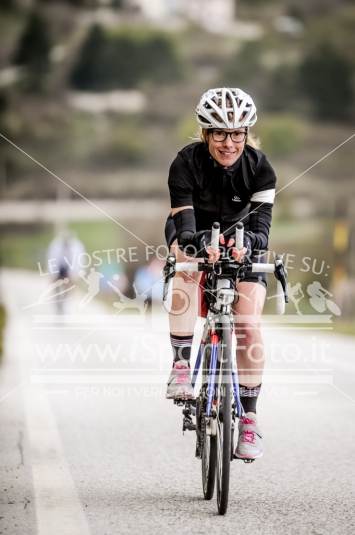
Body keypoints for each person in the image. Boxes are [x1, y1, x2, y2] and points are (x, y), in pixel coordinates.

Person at [164, 87, 277, 460]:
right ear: (205, 133)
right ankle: (181, 364)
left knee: (247, 324)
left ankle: (249, 418)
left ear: (246, 133)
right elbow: (183, 225)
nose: (229, 143)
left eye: (237, 134)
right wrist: (197, 245)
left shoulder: (260, 169)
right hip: (194, 233)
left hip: (242, 243)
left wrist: (248, 246)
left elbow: (262, 228)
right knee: (185, 266)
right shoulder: (185, 163)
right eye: (219, 133)